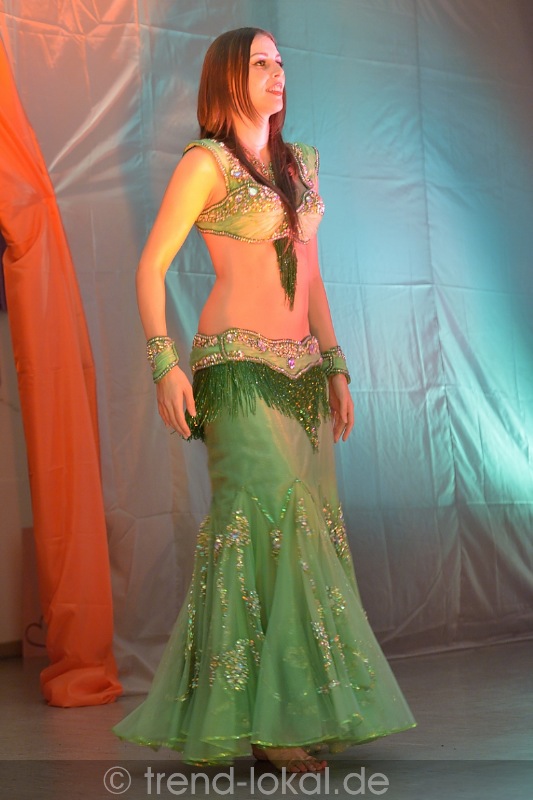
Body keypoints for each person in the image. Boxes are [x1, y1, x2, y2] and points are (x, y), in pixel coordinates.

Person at [112, 27, 416, 773]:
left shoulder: (299, 163)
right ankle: (266, 723)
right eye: (260, 63)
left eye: (281, 62)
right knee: (259, 525)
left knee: (309, 532)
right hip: (235, 367)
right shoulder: (205, 163)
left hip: (302, 373)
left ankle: (294, 708)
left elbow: (309, 274)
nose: (278, 73)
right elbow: (150, 267)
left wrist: (335, 365)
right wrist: (164, 366)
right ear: (228, 77)